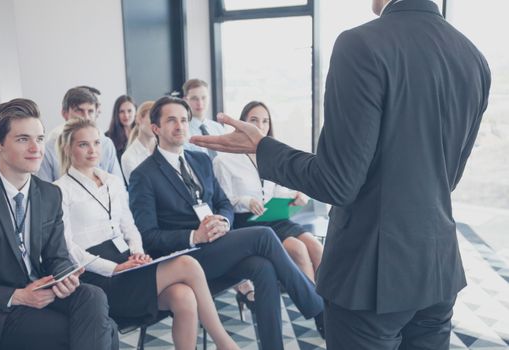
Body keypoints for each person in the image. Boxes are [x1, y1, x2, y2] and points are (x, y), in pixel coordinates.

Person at [191, 0, 492, 349]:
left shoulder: (361, 45)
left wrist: (262, 148)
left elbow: (337, 182)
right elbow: (447, 178)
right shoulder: (474, 59)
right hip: (438, 267)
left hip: (371, 272)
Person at [129, 96, 324, 350]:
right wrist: (193, 236)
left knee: (263, 267)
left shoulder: (199, 161)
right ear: (156, 128)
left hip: (216, 246)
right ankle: (319, 307)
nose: (180, 126)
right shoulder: (143, 175)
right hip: (184, 257)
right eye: (171, 120)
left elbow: (223, 204)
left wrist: (223, 220)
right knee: (264, 235)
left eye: (184, 120)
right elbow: (148, 236)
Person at [53, 118, 239, 350]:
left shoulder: (111, 180)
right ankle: (225, 343)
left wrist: (138, 253)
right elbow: (68, 247)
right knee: (187, 265)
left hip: (127, 261)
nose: (93, 150)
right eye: (83, 144)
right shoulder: (59, 189)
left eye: (97, 143)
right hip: (98, 276)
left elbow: (129, 226)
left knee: (184, 297)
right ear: (68, 148)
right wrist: (112, 268)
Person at [0, 98, 118, 350]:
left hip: (44, 291)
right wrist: (17, 296)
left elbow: (57, 256)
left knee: (92, 295)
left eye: (40, 138)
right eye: (23, 139)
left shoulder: (49, 194)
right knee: (106, 331)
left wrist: (65, 275)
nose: (36, 148)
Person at [213, 101, 324, 283]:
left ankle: (329, 306)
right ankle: (315, 309)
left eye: (265, 121)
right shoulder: (224, 160)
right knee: (298, 250)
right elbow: (222, 201)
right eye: (254, 120)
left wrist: (295, 196)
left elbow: (278, 190)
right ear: (243, 123)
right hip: (248, 222)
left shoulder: (271, 156)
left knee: (317, 247)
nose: (260, 126)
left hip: (275, 216)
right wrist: (246, 201)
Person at [37, 87, 124, 182]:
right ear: (64, 114)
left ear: (96, 113)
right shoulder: (49, 149)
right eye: (79, 111)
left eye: (90, 111)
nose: (86, 117)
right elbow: (44, 191)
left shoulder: (106, 144)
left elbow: (119, 185)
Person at [182, 78, 224, 159]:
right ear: (185, 100)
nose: (200, 103)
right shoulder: (183, 131)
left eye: (204, 98)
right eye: (194, 98)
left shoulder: (218, 128)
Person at [121, 101, 156, 180]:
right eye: (151, 118)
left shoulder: (165, 148)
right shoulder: (128, 157)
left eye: (158, 119)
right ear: (139, 119)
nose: (155, 123)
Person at [105, 95, 137, 164]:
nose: (126, 115)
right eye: (121, 111)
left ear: (135, 111)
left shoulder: (142, 134)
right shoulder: (108, 137)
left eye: (129, 111)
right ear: (116, 114)